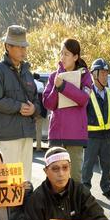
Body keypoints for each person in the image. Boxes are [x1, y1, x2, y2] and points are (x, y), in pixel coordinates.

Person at [0, 24, 41, 182]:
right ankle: (12, 208)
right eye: (19, 47)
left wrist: (34, 109)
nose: (24, 51)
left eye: (25, 47)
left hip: (27, 134)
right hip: (9, 135)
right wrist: (18, 107)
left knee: (26, 179)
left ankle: (25, 206)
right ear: (7, 46)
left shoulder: (27, 72)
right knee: (10, 180)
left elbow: (36, 99)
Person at [42, 38, 93, 184]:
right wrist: (56, 86)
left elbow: (83, 99)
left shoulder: (85, 76)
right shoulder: (53, 76)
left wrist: (63, 86)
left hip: (75, 135)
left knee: (75, 179)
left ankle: (75, 207)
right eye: (61, 53)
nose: (62, 57)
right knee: (53, 180)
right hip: (56, 135)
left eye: (66, 54)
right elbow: (48, 104)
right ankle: (54, 207)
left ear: (76, 57)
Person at [81, 58, 110, 199]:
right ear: (94, 75)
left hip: (106, 136)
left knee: (106, 165)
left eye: (107, 73)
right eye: (103, 73)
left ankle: (106, 188)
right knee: (87, 166)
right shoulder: (87, 93)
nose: (105, 76)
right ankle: (85, 190)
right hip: (92, 137)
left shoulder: (109, 93)